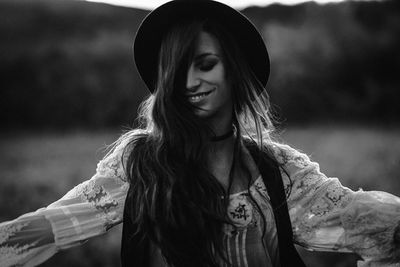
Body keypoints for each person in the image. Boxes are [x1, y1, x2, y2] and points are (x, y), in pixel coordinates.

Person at [1, 0, 400, 266]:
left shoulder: (277, 173)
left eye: (205, 64)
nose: (189, 82)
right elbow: (49, 228)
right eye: (177, 71)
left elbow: (378, 228)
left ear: (233, 69)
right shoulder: (140, 164)